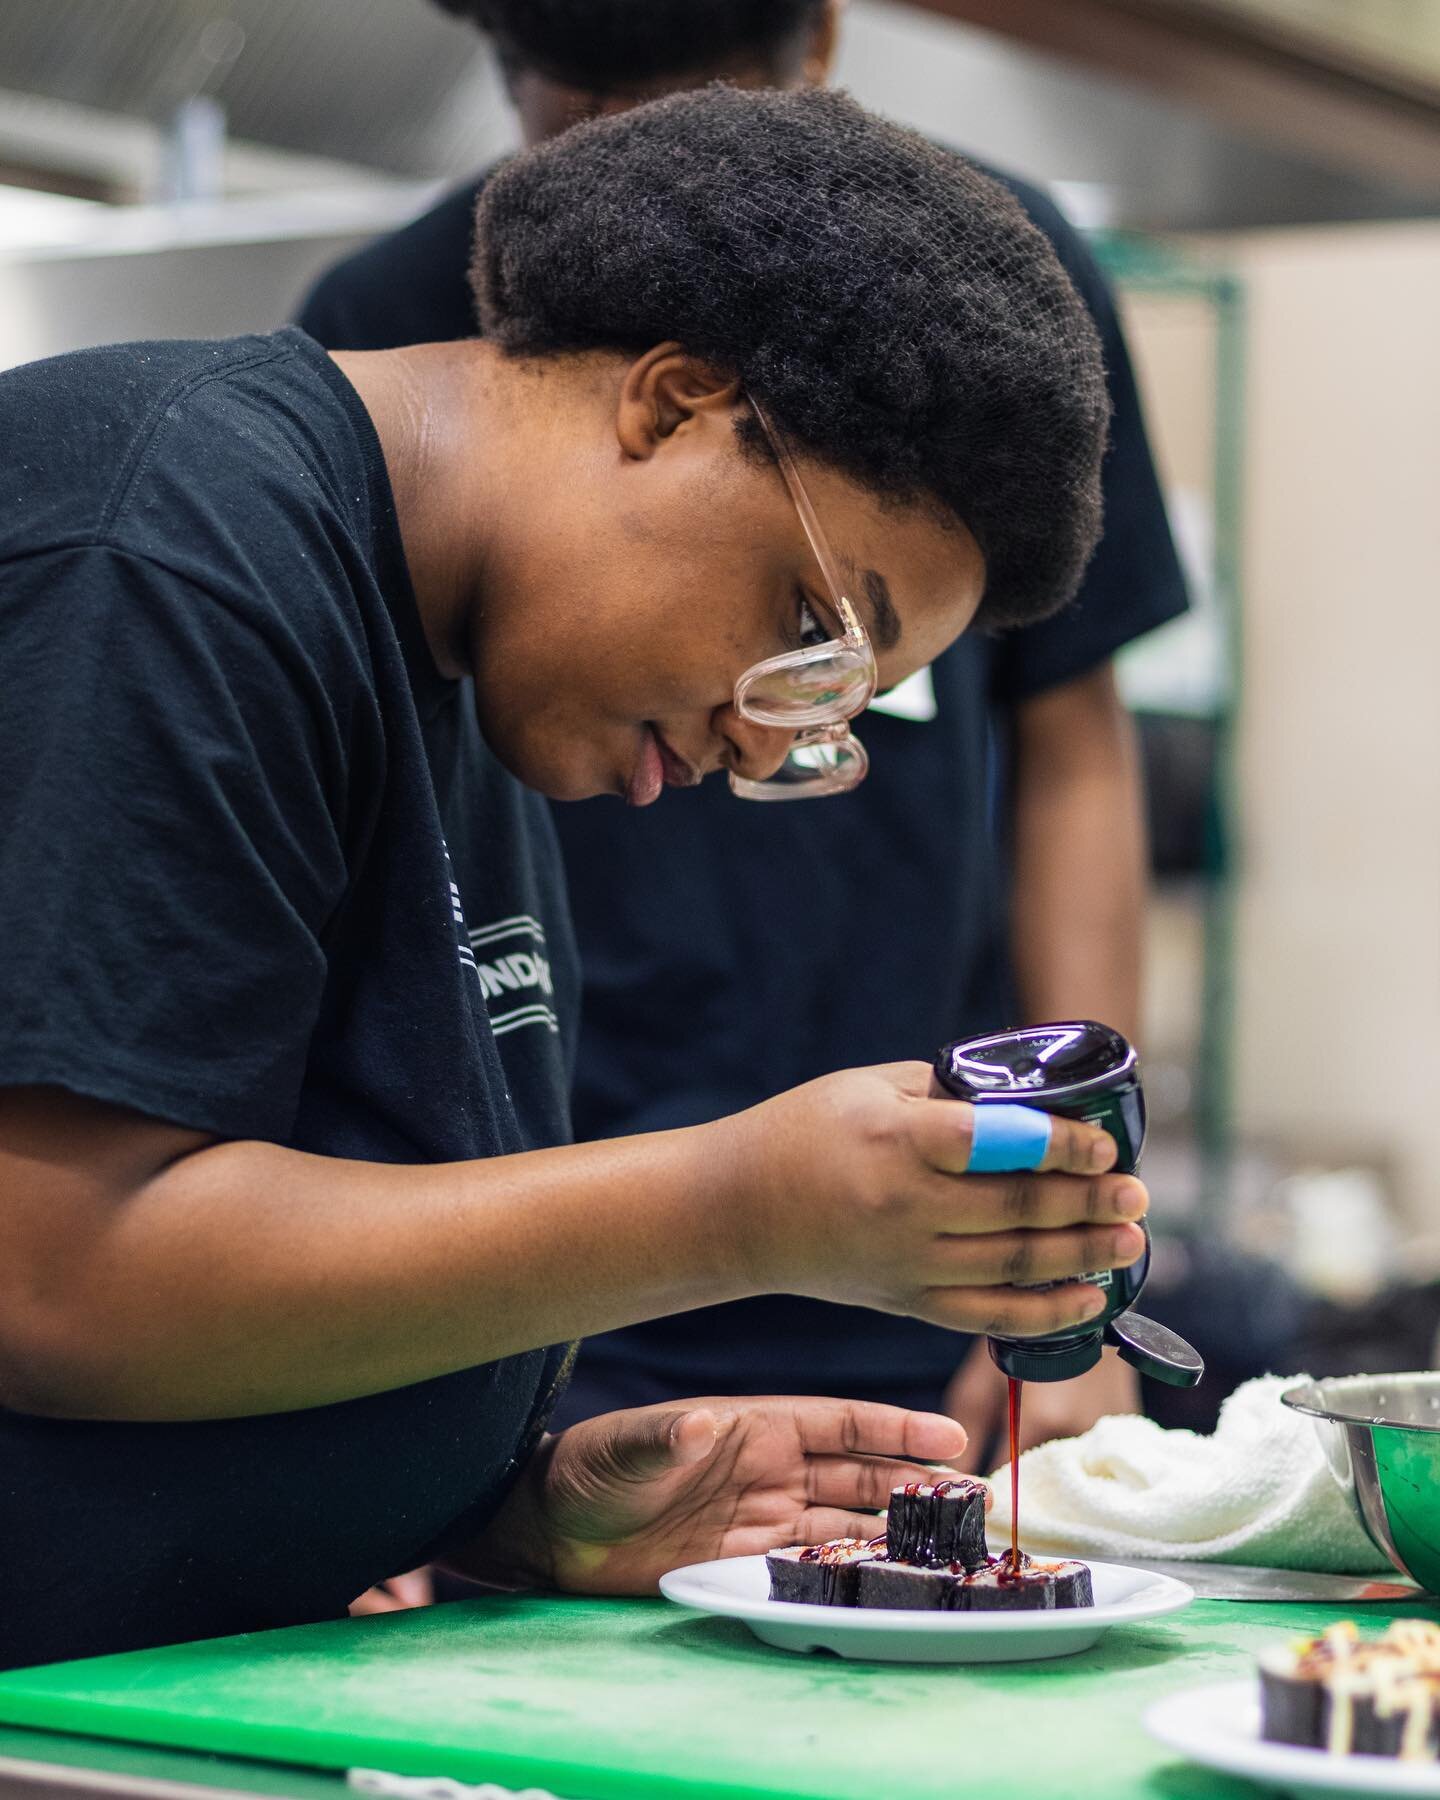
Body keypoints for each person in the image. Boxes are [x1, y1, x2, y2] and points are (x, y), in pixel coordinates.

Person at [0, 87, 1136, 1670]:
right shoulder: (167, 554)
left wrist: (495, 1509)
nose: (765, 741)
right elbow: (59, 1275)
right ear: (669, 404)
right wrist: (737, 1205)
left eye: (840, 702)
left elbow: (270, 1274)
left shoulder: (472, 689)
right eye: (812, 627)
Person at [298, 0, 1190, 1465]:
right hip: (527, 1262)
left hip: (912, 1221)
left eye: (827, 633)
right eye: (578, 116)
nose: (650, 185)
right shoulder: (385, 326)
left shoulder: (982, 296)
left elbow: (1072, 754)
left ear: (821, 49)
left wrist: (1063, 1260)